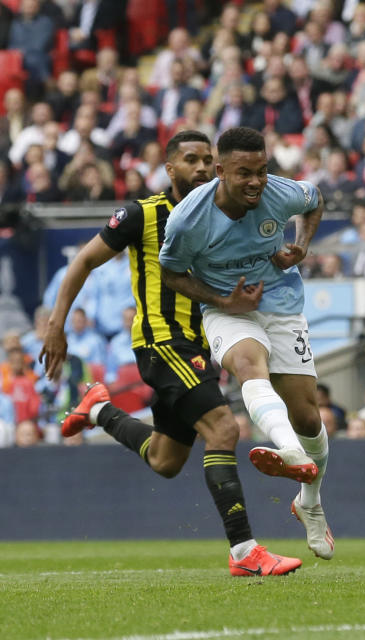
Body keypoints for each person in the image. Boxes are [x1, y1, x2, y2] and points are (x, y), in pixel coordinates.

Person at [39, 130, 301, 576]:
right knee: (222, 429)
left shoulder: (224, 214)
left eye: (206, 160)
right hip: (164, 341)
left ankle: (99, 410)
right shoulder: (142, 215)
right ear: (170, 168)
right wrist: (56, 325)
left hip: (203, 343)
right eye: (191, 160)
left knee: (165, 459)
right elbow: (83, 260)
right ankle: (244, 552)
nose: (200, 168)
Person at [157, 127, 333, 561]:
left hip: (282, 301)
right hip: (227, 308)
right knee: (250, 367)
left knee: (308, 417)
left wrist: (302, 246)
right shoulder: (188, 220)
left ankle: (308, 502)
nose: (256, 182)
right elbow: (171, 273)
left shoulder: (279, 192)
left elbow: (315, 202)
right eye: (244, 173)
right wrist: (221, 300)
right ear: (219, 172)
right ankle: (289, 451)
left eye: (262, 171)